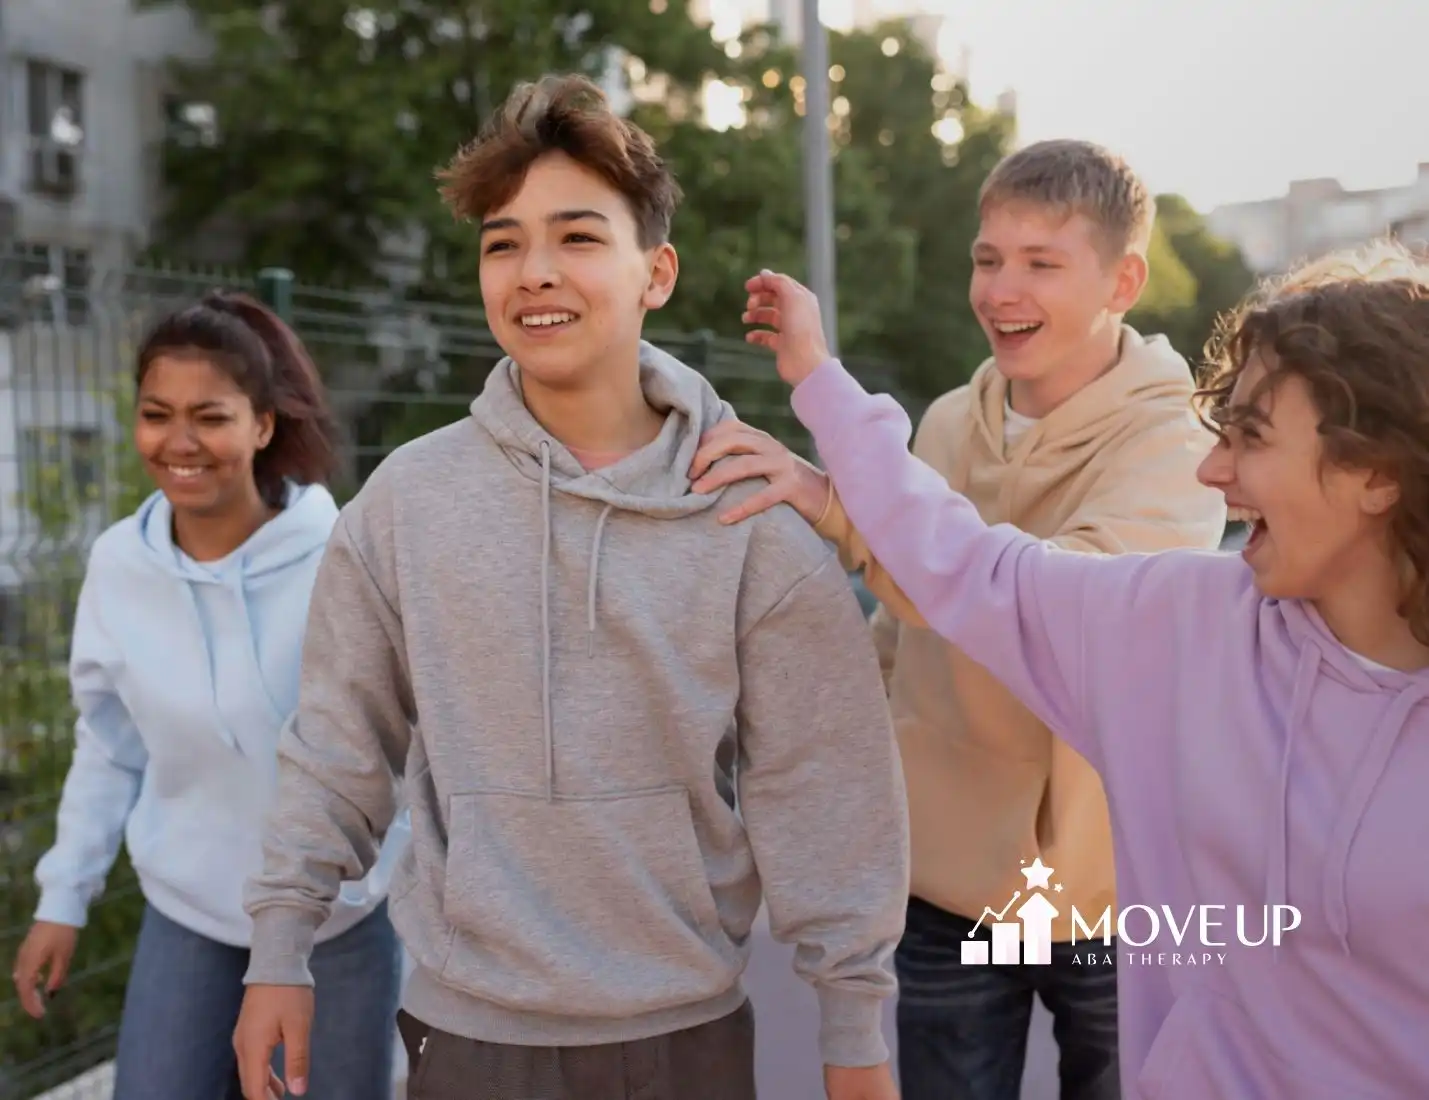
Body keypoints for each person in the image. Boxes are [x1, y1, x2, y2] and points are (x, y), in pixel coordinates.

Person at [232, 73, 908, 1100]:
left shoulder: (748, 514)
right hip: (467, 1030)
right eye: (502, 244)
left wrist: (853, 1028)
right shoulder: (408, 500)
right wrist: (281, 945)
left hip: (685, 1035)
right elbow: (337, 744)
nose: (534, 272)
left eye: (578, 237)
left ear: (656, 273)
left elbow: (821, 783)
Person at [734, 238, 1429, 1100]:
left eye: (1250, 437)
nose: (1211, 470)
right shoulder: (1176, 625)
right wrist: (817, 379)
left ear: (1375, 473)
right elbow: (966, 563)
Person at [692, 140, 1226, 1099]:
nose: (1001, 289)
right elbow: (894, 647)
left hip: (1122, 891)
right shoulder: (942, 424)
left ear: (1123, 281)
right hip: (949, 889)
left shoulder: (1177, 441)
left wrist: (839, 495)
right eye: (988, 258)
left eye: (1041, 262)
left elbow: (1047, 611)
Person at [10, 293, 407, 1099]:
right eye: (156, 414)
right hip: (191, 912)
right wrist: (64, 897)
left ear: (263, 425)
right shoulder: (119, 565)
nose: (179, 442)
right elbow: (110, 746)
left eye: (210, 417)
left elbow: (399, 747)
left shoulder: (343, 560)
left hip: (335, 919)